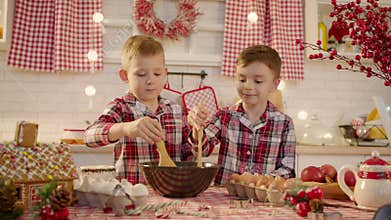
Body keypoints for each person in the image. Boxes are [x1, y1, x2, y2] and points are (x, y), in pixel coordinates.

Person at [84, 35, 193, 184]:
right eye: (141, 74)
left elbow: (188, 153)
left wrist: (198, 133)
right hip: (131, 195)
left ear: (165, 73)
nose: (150, 80)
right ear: (124, 75)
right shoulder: (121, 107)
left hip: (171, 191)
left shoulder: (176, 110)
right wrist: (125, 128)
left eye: (157, 74)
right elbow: (89, 137)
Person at [188, 45, 296, 185]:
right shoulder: (225, 116)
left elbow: (287, 170)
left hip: (264, 200)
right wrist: (197, 128)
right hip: (225, 198)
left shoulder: (284, 123)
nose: (248, 86)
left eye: (258, 81)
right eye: (242, 79)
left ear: (274, 85)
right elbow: (202, 150)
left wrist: (258, 181)